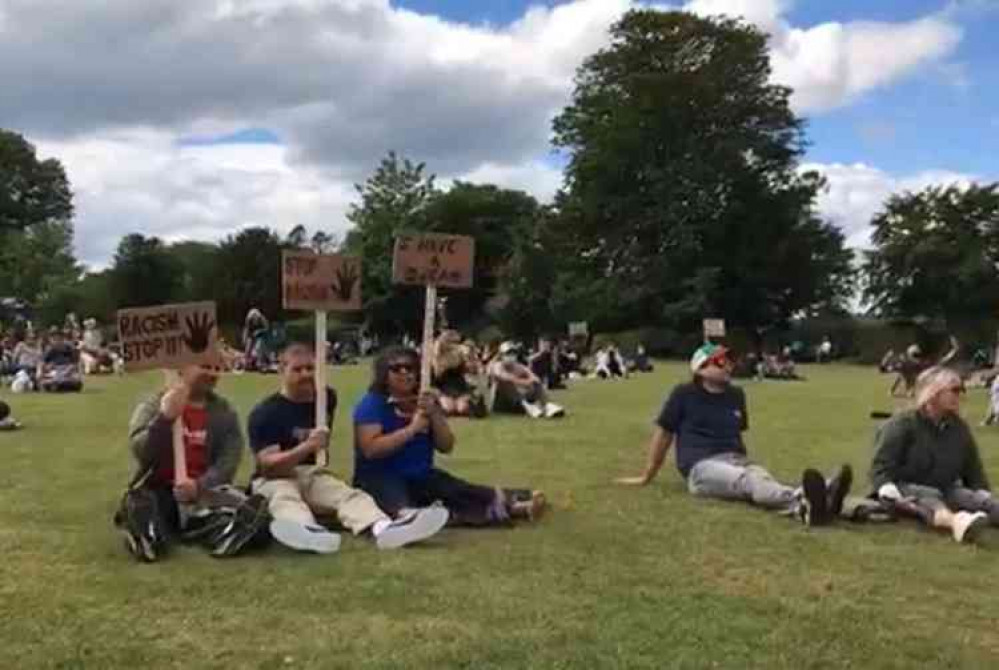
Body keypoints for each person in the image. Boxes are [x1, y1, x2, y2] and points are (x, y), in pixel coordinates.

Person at [616, 343, 852, 526]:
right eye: (720, 361)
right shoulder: (683, 394)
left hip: (738, 461)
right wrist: (647, 475)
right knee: (750, 481)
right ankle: (815, 498)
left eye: (730, 360)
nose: (729, 365)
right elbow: (664, 434)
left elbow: (738, 435)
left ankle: (814, 507)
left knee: (761, 480)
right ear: (700, 368)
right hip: (701, 468)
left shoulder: (736, 394)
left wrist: (743, 462)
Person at [248, 342, 448, 554]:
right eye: (297, 370)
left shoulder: (325, 399)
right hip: (274, 478)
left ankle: (382, 528)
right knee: (285, 498)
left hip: (311, 473)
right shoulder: (265, 414)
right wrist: (307, 447)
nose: (306, 374)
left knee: (349, 496)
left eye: (310, 368)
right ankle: (305, 530)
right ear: (281, 370)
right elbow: (268, 466)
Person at [353, 347, 546, 526]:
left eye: (410, 367)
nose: (405, 373)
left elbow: (446, 445)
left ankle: (514, 503)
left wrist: (434, 414)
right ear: (383, 375)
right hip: (380, 478)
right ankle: (414, 520)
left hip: (421, 476)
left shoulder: (424, 402)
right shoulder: (372, 405)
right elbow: (371, 450)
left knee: (455, 490)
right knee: (400, 506)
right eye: (396, 368)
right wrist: (412, 429)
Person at [117, 364, 268, 561]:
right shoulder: (153, 405)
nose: (213, 374)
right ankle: (147, 535)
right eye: (205, 367)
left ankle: (227, 531)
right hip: (161, 490)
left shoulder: (224, 412)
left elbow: (228, 461)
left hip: (206, 493)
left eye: (216, 367)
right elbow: (142, 451)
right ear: (181, 367)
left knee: (243, 511)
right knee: (146, 504)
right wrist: (165, 419)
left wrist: (198, 486)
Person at [870, 366, 997, 544]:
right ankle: (957, 523)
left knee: (979, 501)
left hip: (946, 487)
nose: (959, 395)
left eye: (961, 390)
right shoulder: (902, 424)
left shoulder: (959, 428)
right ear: (933, 392)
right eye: (954, 390)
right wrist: (886, 488)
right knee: (930, 496)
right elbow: (881, 465)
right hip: (904, 488)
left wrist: (982, 492)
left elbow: (972, 467)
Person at [488, 342, 564, 418]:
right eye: (508, 354)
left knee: (536, 383)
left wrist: (532, 382)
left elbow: (534, 377)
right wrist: (525, 382)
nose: (511, 356)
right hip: (501, 404)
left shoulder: (520, 367)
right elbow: (504, 377)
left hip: (517, 402)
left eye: (513, 353)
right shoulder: (497, 366)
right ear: (501, 356)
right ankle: (528, 406)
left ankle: (547, 406)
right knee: (507, 383)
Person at [432, 330, 476, 417]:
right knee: (449, 409)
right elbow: (437, 376)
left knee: (462, 409)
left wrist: (470, 356)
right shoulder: (435, 357)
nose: (455, 345)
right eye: (452, 343)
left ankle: (470, 401)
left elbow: (472, 370)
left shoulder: (460, 355)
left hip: (459, 387)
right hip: (442, 388)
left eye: (456, 343)